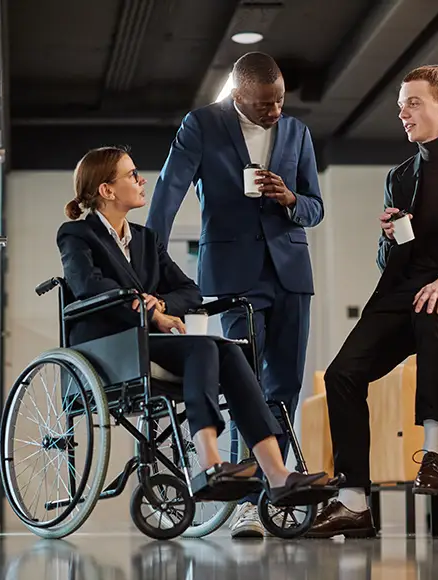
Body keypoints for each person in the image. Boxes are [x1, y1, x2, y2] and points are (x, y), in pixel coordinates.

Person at [307, 65, 438, 539]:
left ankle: (434, 454)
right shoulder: (400, 176)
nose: (402, 113)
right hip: (406, 289)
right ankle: (354, 501)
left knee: (434, 310)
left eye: (412, 103)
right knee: (343, 374)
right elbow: (391, 261)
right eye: (401, 104)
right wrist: (389, 236)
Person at [57, 146, 326, 501]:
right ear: (106, 190)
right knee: (203, 347)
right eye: (132, 175)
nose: (142, 181)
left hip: (149, 341)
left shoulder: (146, 240)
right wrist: (151, 311)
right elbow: (89, 285)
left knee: (226, 351)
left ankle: (276, 473)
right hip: (108, 345)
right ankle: (209, 462)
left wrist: (163, 303)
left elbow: (191, 292)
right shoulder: (77, 235)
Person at [145, 52, 323, 537]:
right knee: (248, 383)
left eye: (281, 101)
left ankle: (274, 487)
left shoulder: (297, 134)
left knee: (284, 385)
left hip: (291, 272)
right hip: (233, 275)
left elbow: (315, 207)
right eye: (265, 104)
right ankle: (247, 502)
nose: (275, 111)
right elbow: (168, 191)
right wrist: (149, 265)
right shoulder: (202, 125)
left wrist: (290, 200)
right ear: (238, 95)